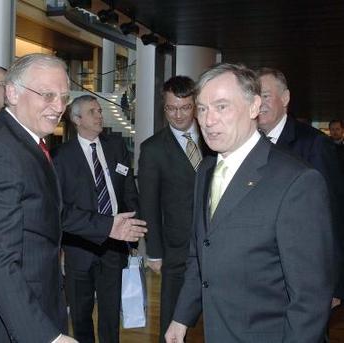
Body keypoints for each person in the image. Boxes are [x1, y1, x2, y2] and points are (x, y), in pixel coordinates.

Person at [0, 53, 146, 343]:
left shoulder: (25, 142)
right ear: (12, 93)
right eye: (48, 95)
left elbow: (47, 210)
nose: (58, 107)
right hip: (2, 321)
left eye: (63, 97)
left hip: (31, 305)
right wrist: (44, 336)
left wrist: (107, 226)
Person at [165, 63, 336, 343]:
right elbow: (201, 253)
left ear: (255, 106)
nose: (208, 121)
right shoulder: (206, 171)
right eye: (203, 108)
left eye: (221, 107)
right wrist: (182, 317)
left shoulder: (297, 182)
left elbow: (310, 297)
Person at [52, 95, 139, 343]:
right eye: (93, 112)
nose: (100, 115)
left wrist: (131, 234)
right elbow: (60, 208)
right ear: (77, 119)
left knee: (111, 315)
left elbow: (128, 190)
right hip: (79, 247)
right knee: (80, 314)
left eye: (100, 110)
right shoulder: (61, 155)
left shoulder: (116, 146)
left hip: (114, 246)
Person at [257, 67, 344, 310]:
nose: (259, 102)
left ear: (285, 99)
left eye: (265, 95)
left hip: (304, 278)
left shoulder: (315, 144)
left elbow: (333, 216)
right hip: (262, 278)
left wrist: (334, 284)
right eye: (254, 95)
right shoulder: (248, 143)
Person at [138, 75, 211, 342]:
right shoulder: (153, 149)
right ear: (163, 107)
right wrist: (154, 252)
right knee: (172, 319)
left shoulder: (214, 140)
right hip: (176, 248)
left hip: (219, 241)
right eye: (171, 108)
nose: (177, 115)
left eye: (184, 107)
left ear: (195, 105)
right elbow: (149, 204)